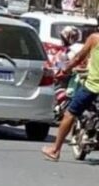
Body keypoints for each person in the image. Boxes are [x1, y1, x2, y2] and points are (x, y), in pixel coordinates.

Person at [42, 31, 99, 161]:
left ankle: (55, 150)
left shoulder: (95, 39)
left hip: (92, 87)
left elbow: (78, 58)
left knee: (70, 114)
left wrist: (65, 70)